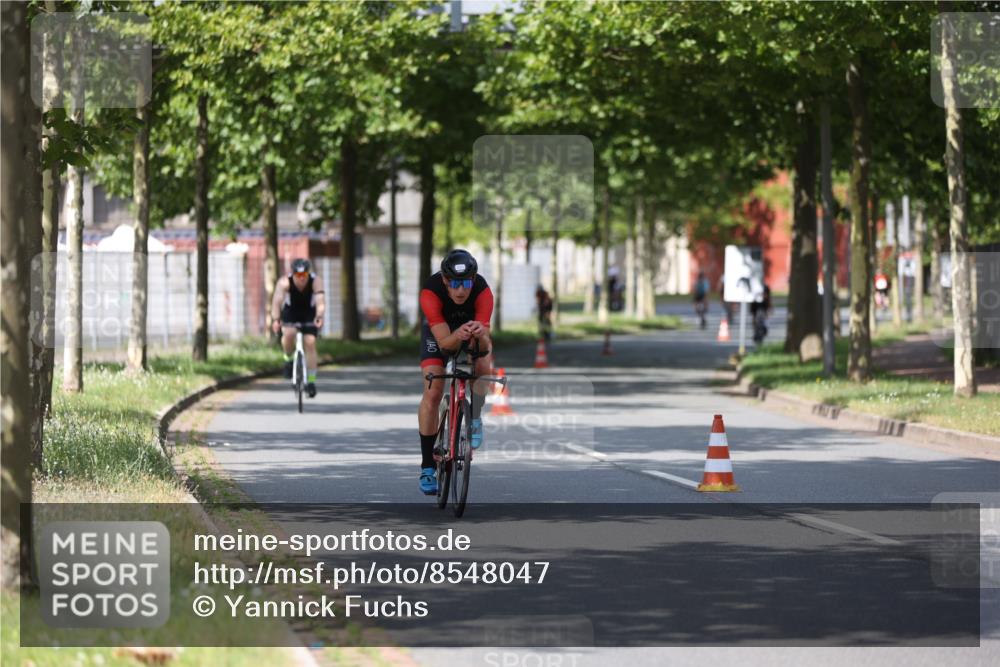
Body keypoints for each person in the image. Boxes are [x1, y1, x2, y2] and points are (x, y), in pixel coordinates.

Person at [417, 249, 494, 495]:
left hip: (471, 330)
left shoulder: (483, 292)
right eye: (454, 284)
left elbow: (484, 347)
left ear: (473, 280)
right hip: (439, 334)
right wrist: (457, 335)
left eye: (466, 283)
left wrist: (480, 335)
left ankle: (475, 416)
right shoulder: (430, 292)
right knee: (433, 391)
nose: (461, 290)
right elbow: (445, 345)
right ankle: (427, 466)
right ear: (445, 281)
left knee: (483, 364)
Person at [271, 258, 325, 398]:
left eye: (304, 275)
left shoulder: (315, 281)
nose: (302, 278)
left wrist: (319, 316)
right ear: (293, 274)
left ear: (308, 273)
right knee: (289, 334)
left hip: (309, 313)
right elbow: (277, 301)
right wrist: (276, 319)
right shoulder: (285, 282)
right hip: (291, 312)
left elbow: (320, 301)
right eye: (298, 275)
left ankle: (311, 381)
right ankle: (288, 359)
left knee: (310, 342)